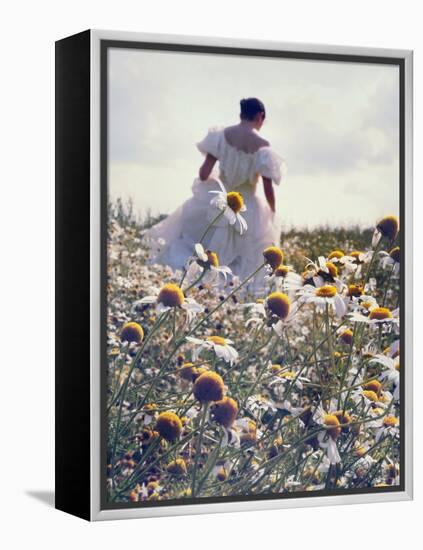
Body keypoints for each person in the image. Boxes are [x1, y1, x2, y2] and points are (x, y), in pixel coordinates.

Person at [146, 98, 285, 291]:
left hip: (219, 201)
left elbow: (203, 173)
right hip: (248, 209)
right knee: (242, 260)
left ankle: (190, 286)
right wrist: (272, 211)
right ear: (260, 116)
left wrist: (216, 182)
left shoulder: (220, 136)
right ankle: (230, 296)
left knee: (202, 249)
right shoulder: (263, 146)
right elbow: (268, 188)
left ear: (241, 114)